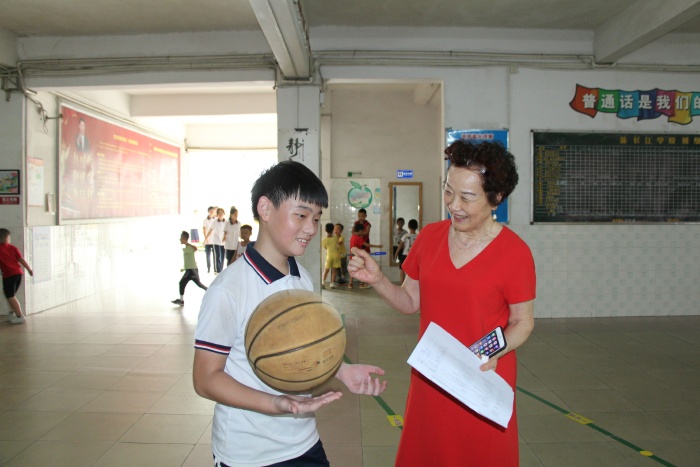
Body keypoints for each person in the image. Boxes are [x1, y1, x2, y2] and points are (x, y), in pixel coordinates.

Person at [348, 141, 536, 466]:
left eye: (467, 197)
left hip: (482, 375)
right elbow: (410, 301)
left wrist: (486, 352)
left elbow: (522, 322)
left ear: (496, 198)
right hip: (433, 376)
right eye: (449, 192)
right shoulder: (430, 237)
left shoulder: (514, 252)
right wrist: (378, 280)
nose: (454, 205)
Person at [193, 160, 387, 467]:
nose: (311, 229)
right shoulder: (227, 290)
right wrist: (276, 403)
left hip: (303, 441)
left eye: (317, 218)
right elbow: (205, 379)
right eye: (301, 215)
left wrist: (340, 371)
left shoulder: (302, 278)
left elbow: (302, 350)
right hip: (247, 455)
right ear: (265, 209)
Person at [0, 228, 33, 324]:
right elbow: (21, 259)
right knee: (10, 294)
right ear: (6, 238)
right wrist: (29, 269)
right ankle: (12, 313)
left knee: (10, 295)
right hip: (17, 273)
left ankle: (19, 316)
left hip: (9, 274)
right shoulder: (13, 248)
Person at [171, 231, 207, 306]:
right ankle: (181, 300)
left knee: (185, 283)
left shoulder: (190, 247)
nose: (180, 239)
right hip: (189, 269)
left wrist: (187, 243)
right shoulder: (186, 248)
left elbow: (195, 248)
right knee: (194, 284)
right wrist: (184, 268)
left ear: (184, 238)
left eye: (181, 238)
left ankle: (181, 300)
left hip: (192, 270)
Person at [348, 223, 382, 289]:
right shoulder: (359, 238)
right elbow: (367, 245)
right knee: (362, 269)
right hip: (358, 257)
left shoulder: (352, 237)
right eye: (363, 231)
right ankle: (362, 284)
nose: (363, 232)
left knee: (352, 270)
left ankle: (350, 284)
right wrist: (377, 246)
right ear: (360, 230)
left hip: (352, 256)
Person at [394, 219, 418, 283]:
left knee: (402, 269)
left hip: (405, 255)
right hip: (414, 256)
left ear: (408, 226)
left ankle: (402, 283)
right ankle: (411, 283)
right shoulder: (418, 236)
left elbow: (400, 246)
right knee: (412, 270)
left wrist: (396, 254)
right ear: (416, 227)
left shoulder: (405, 235)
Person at [321, 222, 341, 289]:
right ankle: (332, 284)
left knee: (326, 270)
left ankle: (323, 283)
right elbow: (337, 240)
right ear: (333, 229)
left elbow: (325, 247)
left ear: (325, 230)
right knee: (334, 271)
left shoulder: (324, 240)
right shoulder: (335, 238)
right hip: (336, 255)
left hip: (329, 255)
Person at [211, 207, 226, 274]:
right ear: (217, 214)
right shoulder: (215, 222)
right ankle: (218, 270)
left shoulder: (226, 222)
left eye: (221, 213)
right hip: (216, 241)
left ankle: (221, 269)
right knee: (218, 255)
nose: (220, 214)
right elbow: (211, 230)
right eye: (219, 213)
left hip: (224, 242)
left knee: (222, 256)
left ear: (223, 213)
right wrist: (206, 239)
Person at [202, 206, 216, 273]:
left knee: (215, 255)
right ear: (208, 211)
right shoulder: (205, 220)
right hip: (208, 241)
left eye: (213, 211)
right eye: (211, 211)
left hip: (214, 241)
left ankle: (215, 268)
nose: (212, 212)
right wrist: (205, 238)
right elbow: (204, 230)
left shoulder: (216, 220)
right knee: (207, 255)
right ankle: (208, 267)